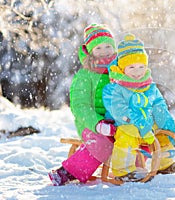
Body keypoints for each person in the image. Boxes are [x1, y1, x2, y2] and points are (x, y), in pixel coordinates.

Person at [102, 34, 175, 182]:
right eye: (131, 67)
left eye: (141, 66)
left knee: (162, 131)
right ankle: (122, 171)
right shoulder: (113, 89)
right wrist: (142, 126)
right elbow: (120, 111)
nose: (137, 71)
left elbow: (159, 106)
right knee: (128, 133)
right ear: (122, 68)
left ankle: (165, 164)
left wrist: (171, 129)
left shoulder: (149, 86)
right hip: (123, 122)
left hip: (146, 123)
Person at [48, 24, 118, 186]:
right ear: (91, 51)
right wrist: (98, 124)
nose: (105, 51)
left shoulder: (119, 71)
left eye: (108, 46)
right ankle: (67, 172)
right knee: (102, 143)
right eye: (98, 47)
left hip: (118, 120)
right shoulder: (85, 76)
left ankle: (157, 163)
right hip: (91, 125)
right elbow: (80, 106)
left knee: (138, 133)